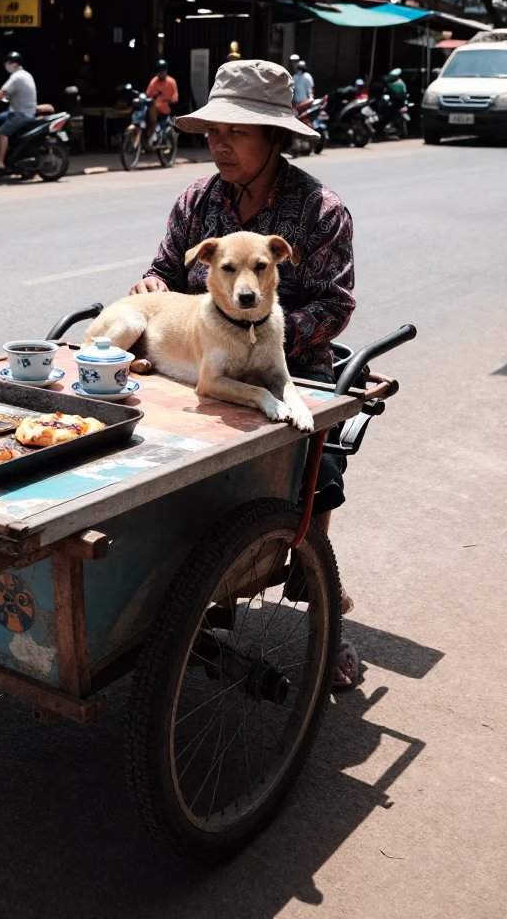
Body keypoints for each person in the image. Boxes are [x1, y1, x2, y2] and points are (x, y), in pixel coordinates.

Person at [130, 59, 359, 688]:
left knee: (316, 474)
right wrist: (153, 288)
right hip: (196, 365)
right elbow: (164, 274)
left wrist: (260, 333)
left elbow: (335, 305)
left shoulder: (320, 210)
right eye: (213, 132)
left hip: (293, 368)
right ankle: (185, 591)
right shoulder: (195, 201)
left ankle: (321, 603)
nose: (220, 144)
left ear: (274, 138)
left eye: (237, 131)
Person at [0, 51, 37, 170]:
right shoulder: (24, 75)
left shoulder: (17, 77)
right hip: (17, 111)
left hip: (22, 114)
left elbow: (2, 92)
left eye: (8, 63)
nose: (6, 66)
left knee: (1, 132)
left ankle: (0, 162)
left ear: (14, 64)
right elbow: (6, 96)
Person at [145, 59, 179, 145]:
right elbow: (148, 94)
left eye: (163, 71)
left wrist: (171, 101)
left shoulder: (171, 82)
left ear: (166, 71)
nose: (161, 74)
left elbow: (175, 97)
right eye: (160, 72)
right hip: (154, 107)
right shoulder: (154, 81)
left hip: (165, 107)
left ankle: (153, 134)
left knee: (153, 107)